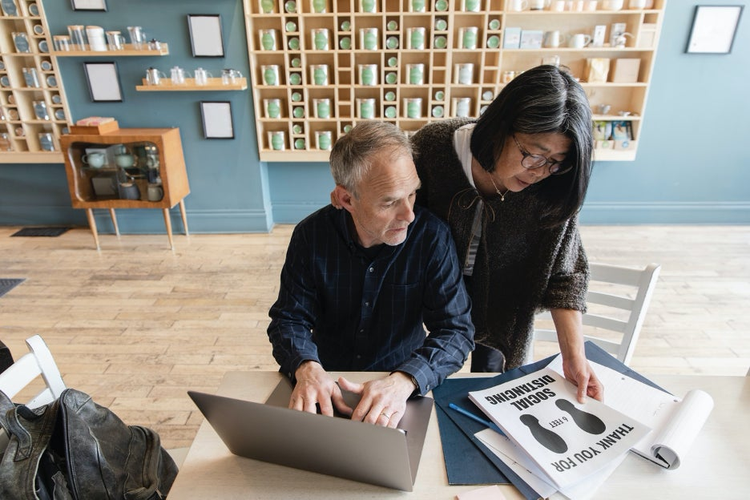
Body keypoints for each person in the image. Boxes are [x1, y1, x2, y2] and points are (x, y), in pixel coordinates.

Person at [410, 64, 603, 402]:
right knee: (420, 380)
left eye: (557, 161)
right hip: (424, 292)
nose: (540, 172)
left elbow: (565, 275)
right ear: (501, 125)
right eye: (533, 154)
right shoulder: (435, 147)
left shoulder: (553, 187)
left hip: (504, 302)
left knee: (491, 389)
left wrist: (574, 357)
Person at [267, 121, 475, 428]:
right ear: (346, 199)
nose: (409, 215)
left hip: (401, 386)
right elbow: (289, 319)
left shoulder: (432, 236)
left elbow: (456, 331)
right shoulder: (311, 236)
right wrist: (306, 367)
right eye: (389, 202)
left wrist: (404, 381)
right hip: (326, 382)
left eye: (412, 195)